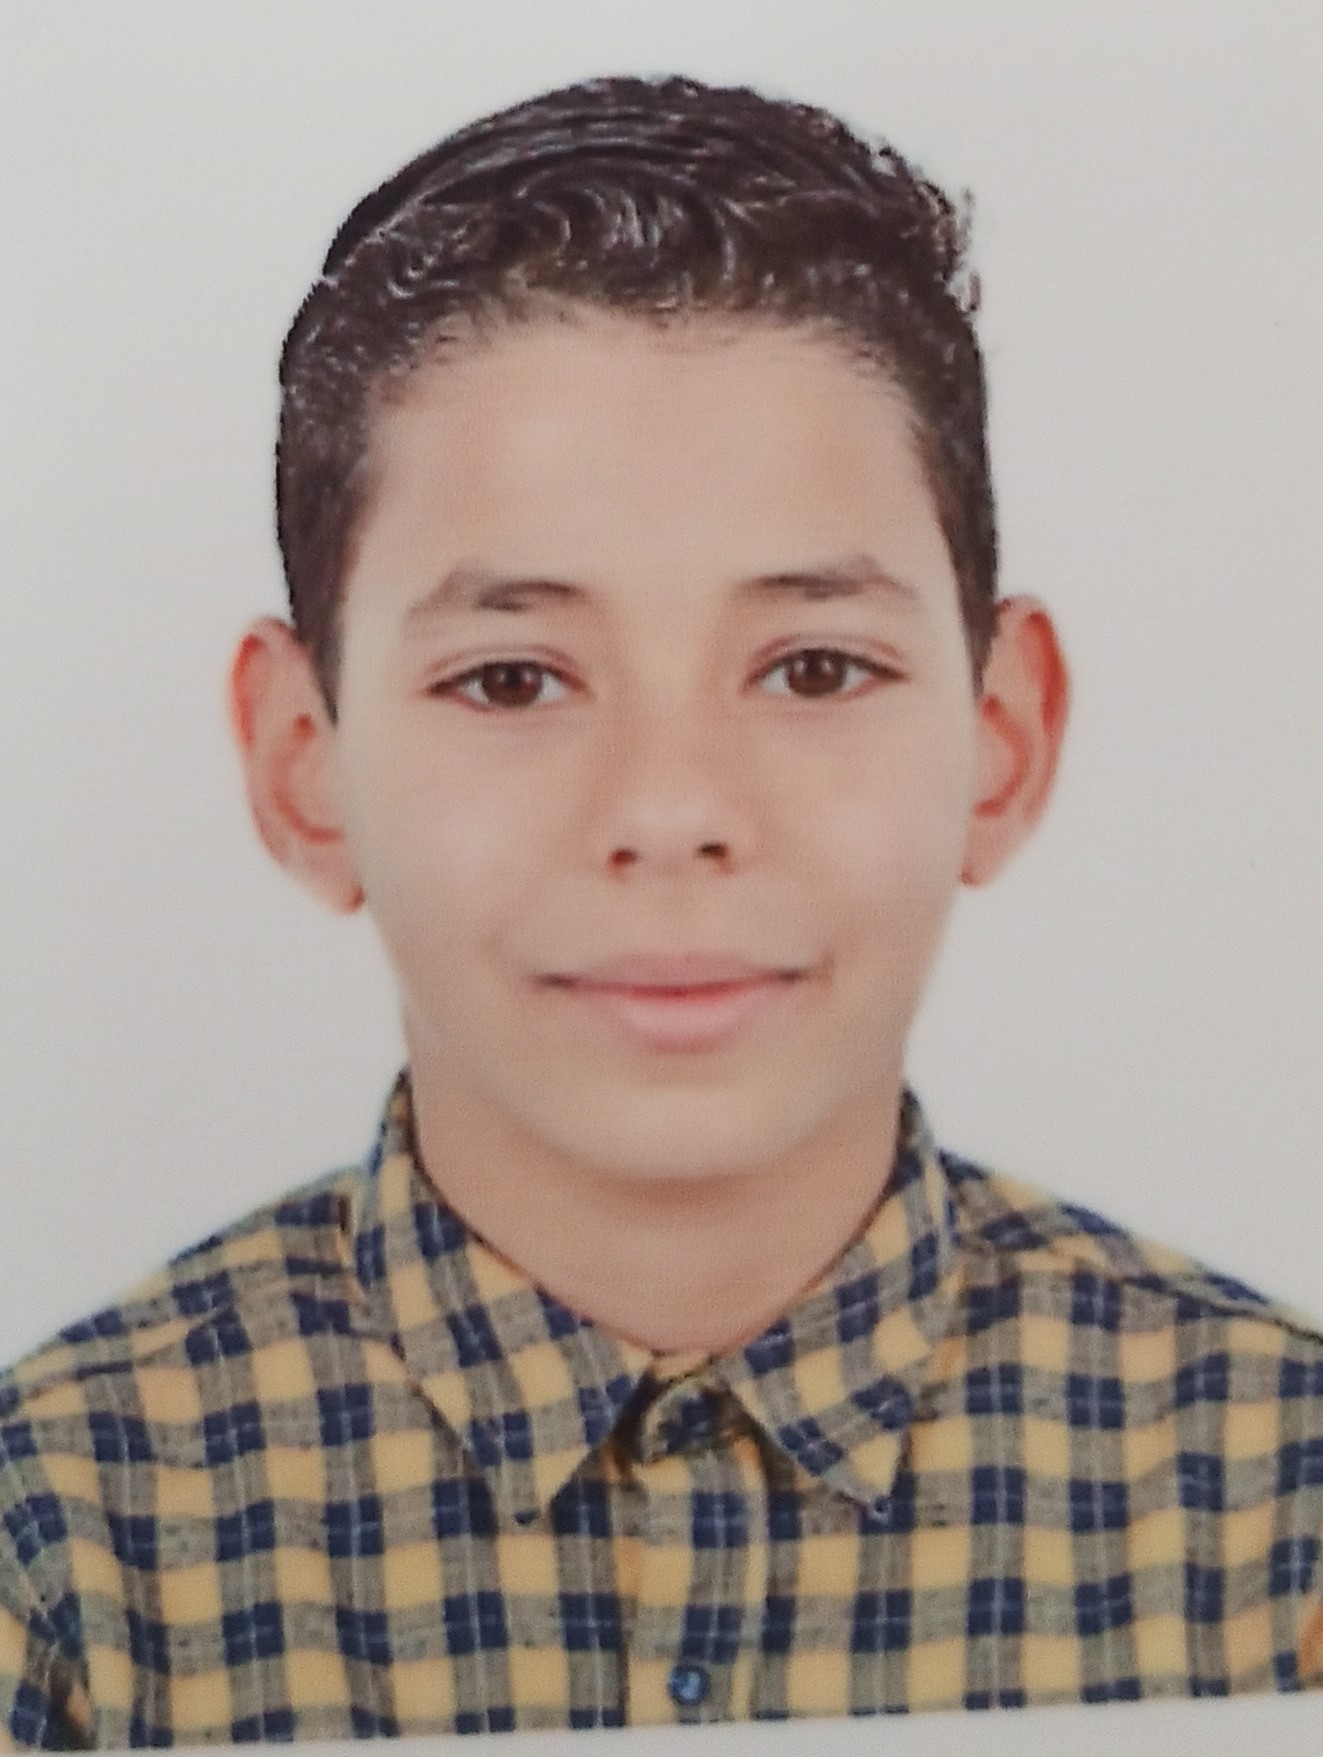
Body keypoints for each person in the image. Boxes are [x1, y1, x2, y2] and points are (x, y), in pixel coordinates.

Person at [1, 72, 1319, 1749]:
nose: (671, 810)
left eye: (815, 667)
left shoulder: (1284, 1518)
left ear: (1003, 736)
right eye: (512, 677)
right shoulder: (60, 1553)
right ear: (303, 763)